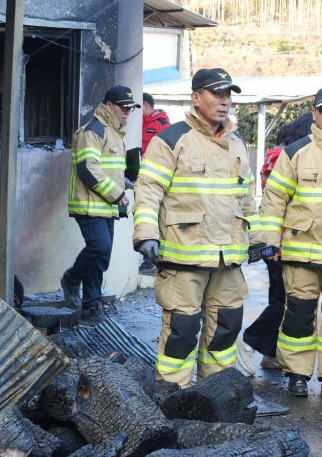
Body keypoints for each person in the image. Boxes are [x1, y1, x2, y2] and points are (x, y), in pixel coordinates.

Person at [133, 67, 250, 386]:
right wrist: (146, 232)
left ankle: (217, 394)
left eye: (228, 95)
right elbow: (148, 188)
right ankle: (173, 394)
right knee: (181, 332)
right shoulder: (171, 139)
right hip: (183, 256)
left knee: (226, 327)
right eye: (217, 94)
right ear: (196, 98)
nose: (224, 101)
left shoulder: (237, 143)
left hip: (228, 259)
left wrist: (260, 237)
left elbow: (247, 197)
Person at [249, 86, 322, 397]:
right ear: (314, 114)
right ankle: (296, 373)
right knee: (297, 316)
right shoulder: (294, 152)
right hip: (300, 250)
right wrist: (267, 241)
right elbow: (273, 202)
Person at [243, 111, 315, 368]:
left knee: (280, 298)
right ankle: (252, 339)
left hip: (279, 238)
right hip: (283, 241)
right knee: (286, 300)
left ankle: (270, 354)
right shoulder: (288, 158)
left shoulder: (275, 155)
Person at [60, 85, 134, 318]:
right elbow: (87, 169)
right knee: (99, 247)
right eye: (123, 108)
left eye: (130, 109)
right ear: (109, 106)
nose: (127, 113)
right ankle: (71, 279)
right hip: (89, 204)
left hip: (106, 206)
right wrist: (117, 194)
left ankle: (91, 307)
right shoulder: (92, 131)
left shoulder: (113, 132)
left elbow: (107, 169)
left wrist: (125, 182)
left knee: (102, 256)